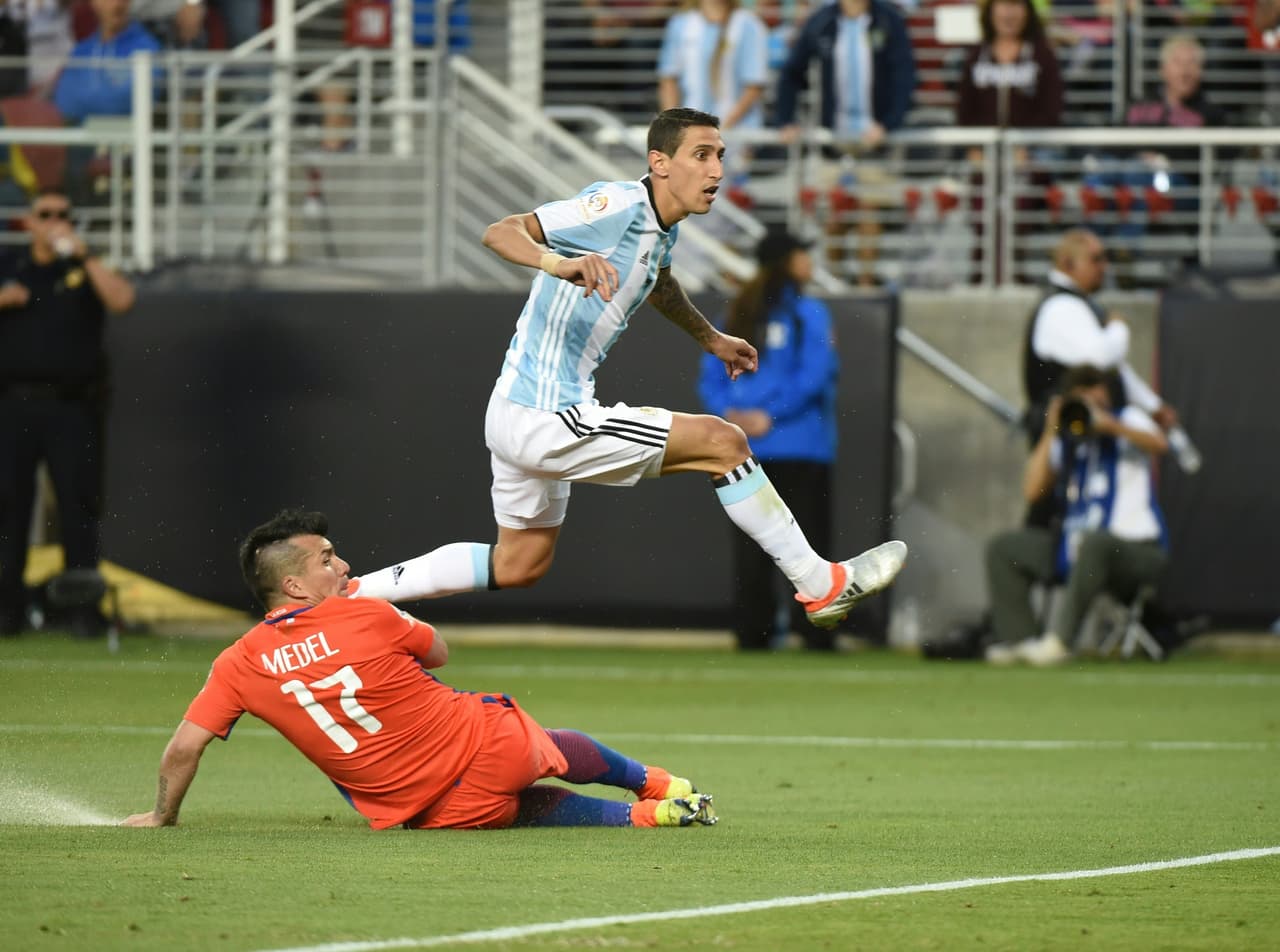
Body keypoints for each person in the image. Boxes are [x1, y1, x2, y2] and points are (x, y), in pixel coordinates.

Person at [348, 108, 907, 632]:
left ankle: (348, 598)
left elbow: (657, 280)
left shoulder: (662, 227)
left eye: (719, 155)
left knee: (518, 564)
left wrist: (710, 338)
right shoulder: (614, 206)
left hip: (516, 410)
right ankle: (819, 583)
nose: (716, 170)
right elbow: (501, 231)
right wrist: (558, 263)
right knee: (724, 442)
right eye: (701, 155)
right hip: (547, 413)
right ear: (659, 163)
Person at [122, 509, 717, 830]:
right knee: (549, 745)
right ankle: (655, 783)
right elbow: (437, 652)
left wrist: (162, 816)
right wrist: (387, 606)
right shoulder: (366, 613)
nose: (344, 566)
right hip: (490, 745)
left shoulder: (237, 663)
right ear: (295, 585)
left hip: (431, 811)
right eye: (327, 560)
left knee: (517, 809)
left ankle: (644, 817)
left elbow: (184, 748)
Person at [0, 187, 136, 637]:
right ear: (29, 222)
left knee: (78, 506)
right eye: (47, 214)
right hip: (12, 405)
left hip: (71, 406)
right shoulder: (9, 265)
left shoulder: (83, 268)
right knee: (8, 506)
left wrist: (85, 255)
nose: (56, 221)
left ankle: (83, 610)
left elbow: (122, 300)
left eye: (64, 214)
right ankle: (6, 610)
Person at [697, 229, 839, 651]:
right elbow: (815, 374)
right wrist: (770, 416)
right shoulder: (810, 313)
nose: (809, 262)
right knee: (808, 543)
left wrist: (733, 415)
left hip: (746, 450)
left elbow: (710, 378)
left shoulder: (735, 313)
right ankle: (815, 632)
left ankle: (752, 632)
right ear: (787, 261)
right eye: (802, 254)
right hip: (802, 445)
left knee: (753, 542)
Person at [984, 366, 1170, 666]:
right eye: (1080, 393)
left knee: (1096, 544)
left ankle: (1058, 642)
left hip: (1136, 551)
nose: (1090, 401)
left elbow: (1160, 444)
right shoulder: (1071, 437)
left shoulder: (1127, 418)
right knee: (1005, 548)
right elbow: (1032, 490)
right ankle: (1020, 641)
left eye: (1094, 390)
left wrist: (1110, 426)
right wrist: (1051, 430)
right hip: (1074, 550)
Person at [773, 0, 917, 286]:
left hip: (874, 142)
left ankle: (865, 286)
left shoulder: (889, 21)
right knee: (834, 218)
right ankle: (836, 285)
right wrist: (785, 119)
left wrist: (888, 123)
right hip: (834, 141)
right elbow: (791, 73)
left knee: (869, 216)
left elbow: (905, 76)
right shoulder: (821, 22)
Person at [955, 0, 1063, 282]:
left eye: (1016, 5)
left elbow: (1052, 110)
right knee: (982, 208)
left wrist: (1026, 146)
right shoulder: (977, 55)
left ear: (1027, 11)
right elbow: (964, 109)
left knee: (1017, 207)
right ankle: (981, 278)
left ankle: (1014, 275)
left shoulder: (1041, 55)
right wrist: (974, 149)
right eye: (1003, 5)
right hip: (984, 159)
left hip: (1029, 158)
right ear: (990, 11)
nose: (1009, 13)